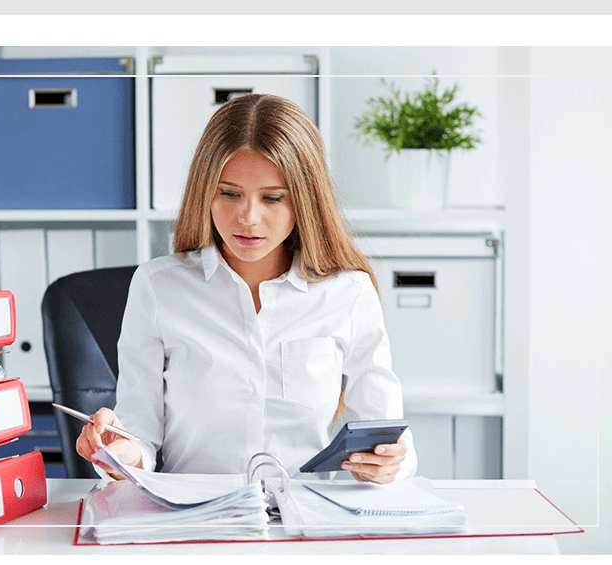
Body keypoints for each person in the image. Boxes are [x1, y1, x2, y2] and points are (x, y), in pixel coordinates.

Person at [76, 93, 417, 485]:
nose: (248, 218)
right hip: (194, 520)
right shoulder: (158, 287)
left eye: (272, 198)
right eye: (229, 193)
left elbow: (387, 434)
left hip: (303, 520)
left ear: (306, 201)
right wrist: (118, 452)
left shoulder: (348, 294)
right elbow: (140, 438)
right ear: (205, 191)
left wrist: (391, 463)